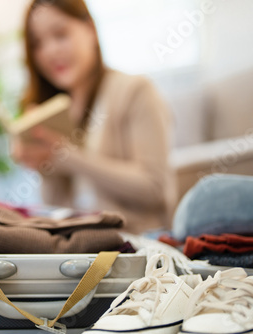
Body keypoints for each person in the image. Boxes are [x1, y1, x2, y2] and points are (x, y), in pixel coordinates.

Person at [11, 0, 177, 234]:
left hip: (138, 246)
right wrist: (43, 164)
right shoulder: (57, 110)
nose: (50, 51)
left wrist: (69, 157)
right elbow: (57, 209)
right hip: (80, 250)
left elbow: (155, 188)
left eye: (60, 35)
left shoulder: (135, 91)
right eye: (38, 43)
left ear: (90, 29)